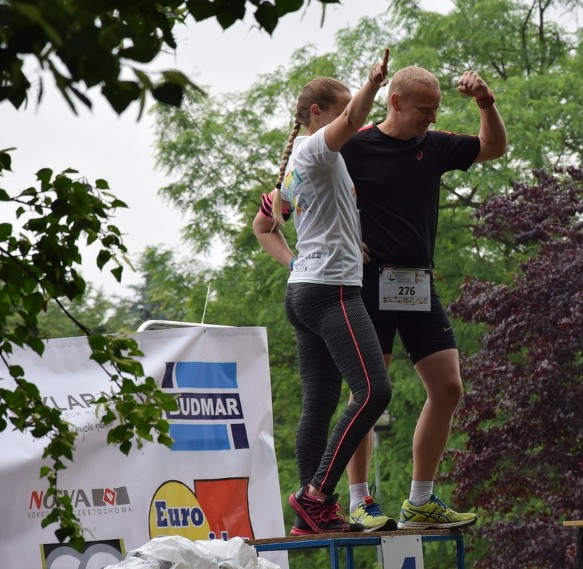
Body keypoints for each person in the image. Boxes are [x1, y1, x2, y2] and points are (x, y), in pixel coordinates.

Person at [340, 66, 507, 531]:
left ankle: (421, 499)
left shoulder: (432, 147)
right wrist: (345, 241)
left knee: (449, 387)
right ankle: (359, 500)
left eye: (436, 110)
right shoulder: (355, 146)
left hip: (417, 283)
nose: (431, 119)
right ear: (394, 102)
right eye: (423, 110)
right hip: (368, 282)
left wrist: (486, 102)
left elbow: (493, 147)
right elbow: (302, 191)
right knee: (369, 392)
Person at [252, 49, 393, 535]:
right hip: (331, 292)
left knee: (319, 403)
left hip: (305, 291)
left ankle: (312, 513)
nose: (347, 123)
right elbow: (355, 117)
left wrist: (307, 259)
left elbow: (264, 225)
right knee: (374, 390)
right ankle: (317, 495)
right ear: (317, 115)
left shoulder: (296, 163)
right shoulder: (315, 149)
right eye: (337, 114)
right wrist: (373, 83)